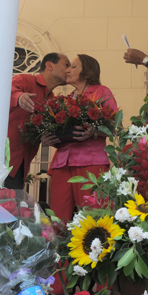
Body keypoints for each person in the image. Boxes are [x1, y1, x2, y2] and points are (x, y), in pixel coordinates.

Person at [46, 54, 118, 221]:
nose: (68, 70)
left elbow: (115, 126)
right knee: (58, 216)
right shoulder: (68, 98)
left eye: (73, 66)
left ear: (87, 71)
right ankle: (59, 247)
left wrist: (94, 131)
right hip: (62, 161)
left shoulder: (102, 91)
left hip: (90, 161)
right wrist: (50, 138)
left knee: (93, 214)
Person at [6, 53, 71, 189]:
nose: (69, 69)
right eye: (66, 64)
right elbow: (4, 92)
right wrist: (19, 97)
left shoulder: (53, 102)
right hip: (3, 158)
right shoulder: (26, 80)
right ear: (49, 65)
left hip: (22, 164)